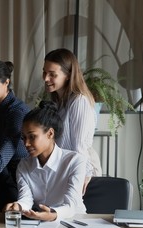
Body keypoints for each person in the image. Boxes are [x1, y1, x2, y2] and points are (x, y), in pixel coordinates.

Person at [5, 101, 87, 221]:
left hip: (75, 222)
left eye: (32, 137)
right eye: (24, 138)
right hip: (42, 222)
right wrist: (18, 206)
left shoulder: (75, 161)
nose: (26, 144)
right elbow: (26, 198)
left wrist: (53, 214)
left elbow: (71, 205)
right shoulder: (24, 165)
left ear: (50, 133)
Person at [42, 48, 102, 194]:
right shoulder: (59, 101)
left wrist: (82, 176)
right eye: (44, 72)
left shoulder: (79, 101)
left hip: (80, 169)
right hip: (66, 168)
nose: (45, 78)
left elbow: (79, 146)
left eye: (52, 74)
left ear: (68, 75)